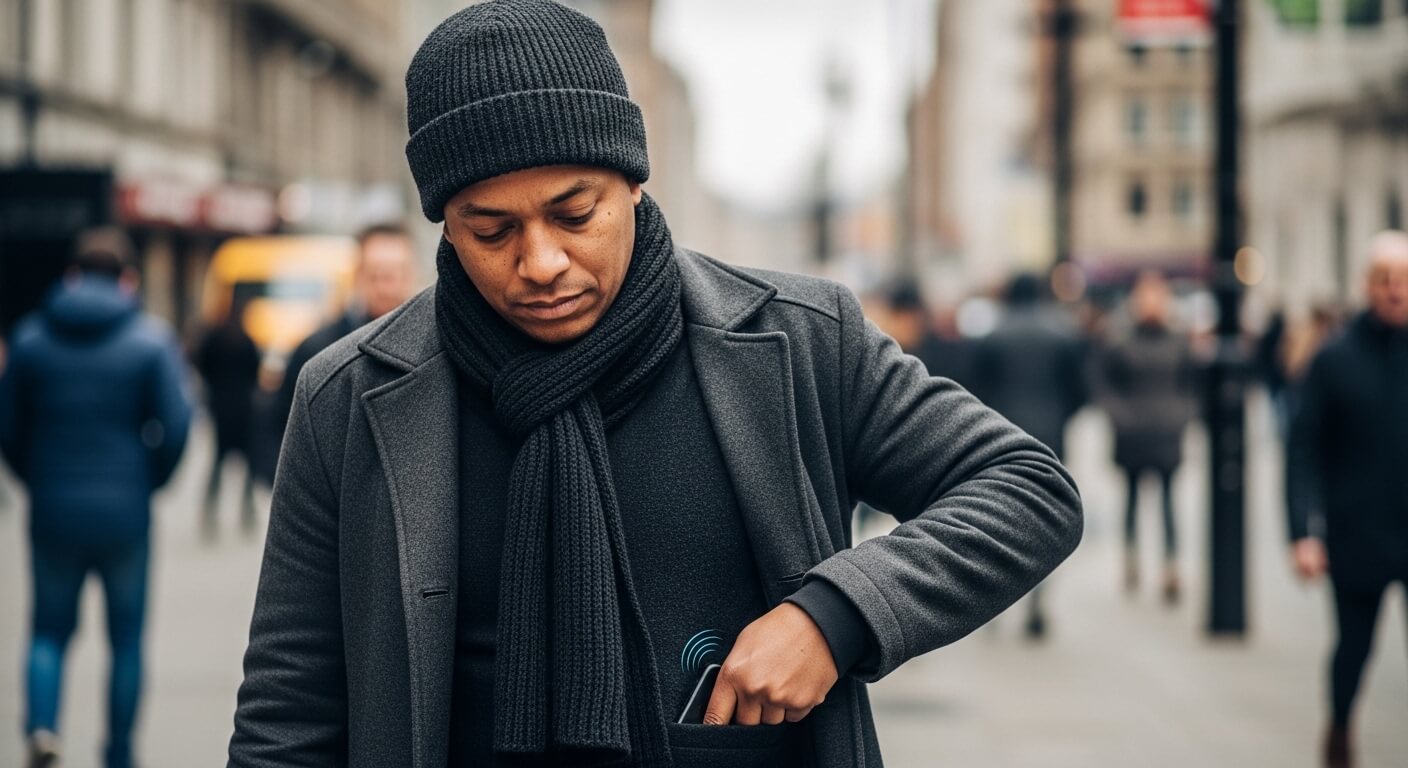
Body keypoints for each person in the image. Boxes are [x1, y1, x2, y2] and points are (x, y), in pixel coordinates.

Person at [227, 3, 1083, 767]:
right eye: (492, 231)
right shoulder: (348, 394)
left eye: (574, 214)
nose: (541, 262)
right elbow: (288, 714)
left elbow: (1026, 489)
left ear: (634, 183)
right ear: (445, 224)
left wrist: (836, 615)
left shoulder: (801, 339)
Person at [0, 228, 192, 768]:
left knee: (47, 631)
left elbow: (8, 426)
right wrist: (148, 479)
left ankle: (42, 729)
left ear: (71, 276)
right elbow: (176, 427)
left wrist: (35, 478)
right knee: (126, 639)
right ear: (129, 281)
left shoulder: (32, 339)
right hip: (125, 512)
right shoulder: (150, 341)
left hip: (53, 508)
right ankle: (120, 752)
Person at [1287, 230, 1408, 768]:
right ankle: (1339, 733)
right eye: (1385, 279)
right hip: (1356, 534)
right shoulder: (1334, 359)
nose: (1395, 291)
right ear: (1367, 284)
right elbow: (1301, 451)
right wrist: (1302, 534)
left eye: (1404, 280)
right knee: (1354, 650)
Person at [973, 273, 1088, 637]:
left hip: (1000, 438)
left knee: (994, 522)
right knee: (1042, 524)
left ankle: (990, 604)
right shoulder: (1063, 333)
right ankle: (1037, 604)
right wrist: (1059, 416)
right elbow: (1080, 391)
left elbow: (974, 392)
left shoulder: (993, 336)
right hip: (1050, 438)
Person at [1095, 270, 1197, 603]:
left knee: (1169, 501)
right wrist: (1120, 417)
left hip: (1166, 432)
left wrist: (1181, 416)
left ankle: (1170, 564)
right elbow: (1103, 384)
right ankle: (1131, 557)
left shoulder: (1178, 340)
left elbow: (1193, 385)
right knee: (1131, 500)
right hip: (1132, 434)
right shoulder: (1120, 340)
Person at [273, 222, 418, 443]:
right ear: (359, 276)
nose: (386, 287)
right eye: (376, 275)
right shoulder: (317, 352)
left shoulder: (432, 350)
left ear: (411, 277)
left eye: (395, 275)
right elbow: (278, 430)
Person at [194, 297, 262, 536]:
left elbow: (201, 364)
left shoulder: (214, 338)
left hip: (220, 407)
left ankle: (209, 511)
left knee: (217, 462)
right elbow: (256, 370)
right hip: (244, 408)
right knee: (249, 465)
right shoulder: (247, 340)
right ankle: (248, 512)